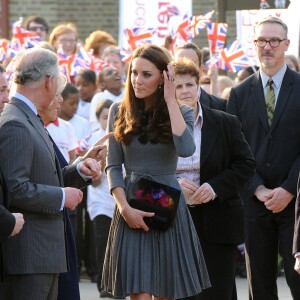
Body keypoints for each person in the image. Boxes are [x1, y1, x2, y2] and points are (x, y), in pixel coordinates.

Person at [101, 44, 210, 299]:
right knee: (138, 293)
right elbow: (113, 165)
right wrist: (124, 208)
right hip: (130, 205)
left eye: (146, 74)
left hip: (168, 206)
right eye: (133, 72)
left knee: (165, 291)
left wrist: (171, 100)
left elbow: (185, 149)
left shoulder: (181, 110)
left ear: (164, 77)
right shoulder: (119, 110)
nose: (137, 80)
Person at [0, 47, 101, 299]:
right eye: (58, 81)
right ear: (48, 81)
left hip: (43, 257)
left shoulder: (29, 119)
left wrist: (79, 170)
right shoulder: (15, 122)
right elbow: (16, 189)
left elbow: (46, 177)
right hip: (29, 258)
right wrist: (60, 197)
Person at [227, 16, 300, 300]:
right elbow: (235, 149)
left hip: (295, 205)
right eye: (261, 41)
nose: (267, 47)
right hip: (255, 205)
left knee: (297, 281)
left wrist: (288, 189)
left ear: (286, 44)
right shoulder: (239, 93)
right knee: (260, 285)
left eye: (273, 41)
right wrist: (257, 188)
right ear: (254, 44)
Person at [172, 57, 256, 300]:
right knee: (181, 292)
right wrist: (173, 184)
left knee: (217, 292)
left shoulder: (224, 122)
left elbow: (246, 164)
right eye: (178, 86)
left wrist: (215, 187)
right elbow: (148, 172)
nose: (185, 91)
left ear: (199, 86)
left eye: (190, 84)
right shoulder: (159, 127)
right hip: (175, 217)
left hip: (218, 218)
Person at [86, 99, 115, 297]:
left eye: (111, 116)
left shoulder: (124, 137)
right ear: (97, 119)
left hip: (121, 201)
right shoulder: (93, 140)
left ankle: (119, 284)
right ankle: (104, 285)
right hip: (100, 202)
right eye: (105, 117)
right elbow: (92, 181)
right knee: (103, 243)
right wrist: (102, 163)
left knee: (119, 246)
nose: (108, 121)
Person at [174, 42, 226, 111]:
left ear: (201, 70)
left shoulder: (219, 106)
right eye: (180, 63)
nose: (185, 67)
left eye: (191, 63)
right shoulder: (162, 105)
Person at [89, 66, 124, 131]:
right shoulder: (99, 97)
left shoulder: (127, 93)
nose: (115, 73)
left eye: (117, 72)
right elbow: (95, 124)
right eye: (109, 73)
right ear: (102, 84)